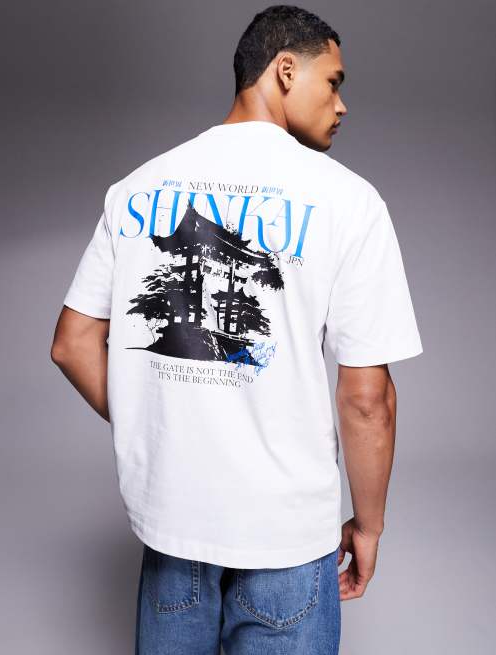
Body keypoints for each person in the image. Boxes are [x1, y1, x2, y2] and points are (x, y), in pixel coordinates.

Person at [51, 4, 423, 654]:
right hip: (286, 537)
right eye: (333, 81)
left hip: (173, 527)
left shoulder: (138, 186)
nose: (341, 105)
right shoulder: (349, 201)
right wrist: (368, 526)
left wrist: (157, 419)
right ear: (285, 70)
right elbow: (368, 400)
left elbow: (72, 343)